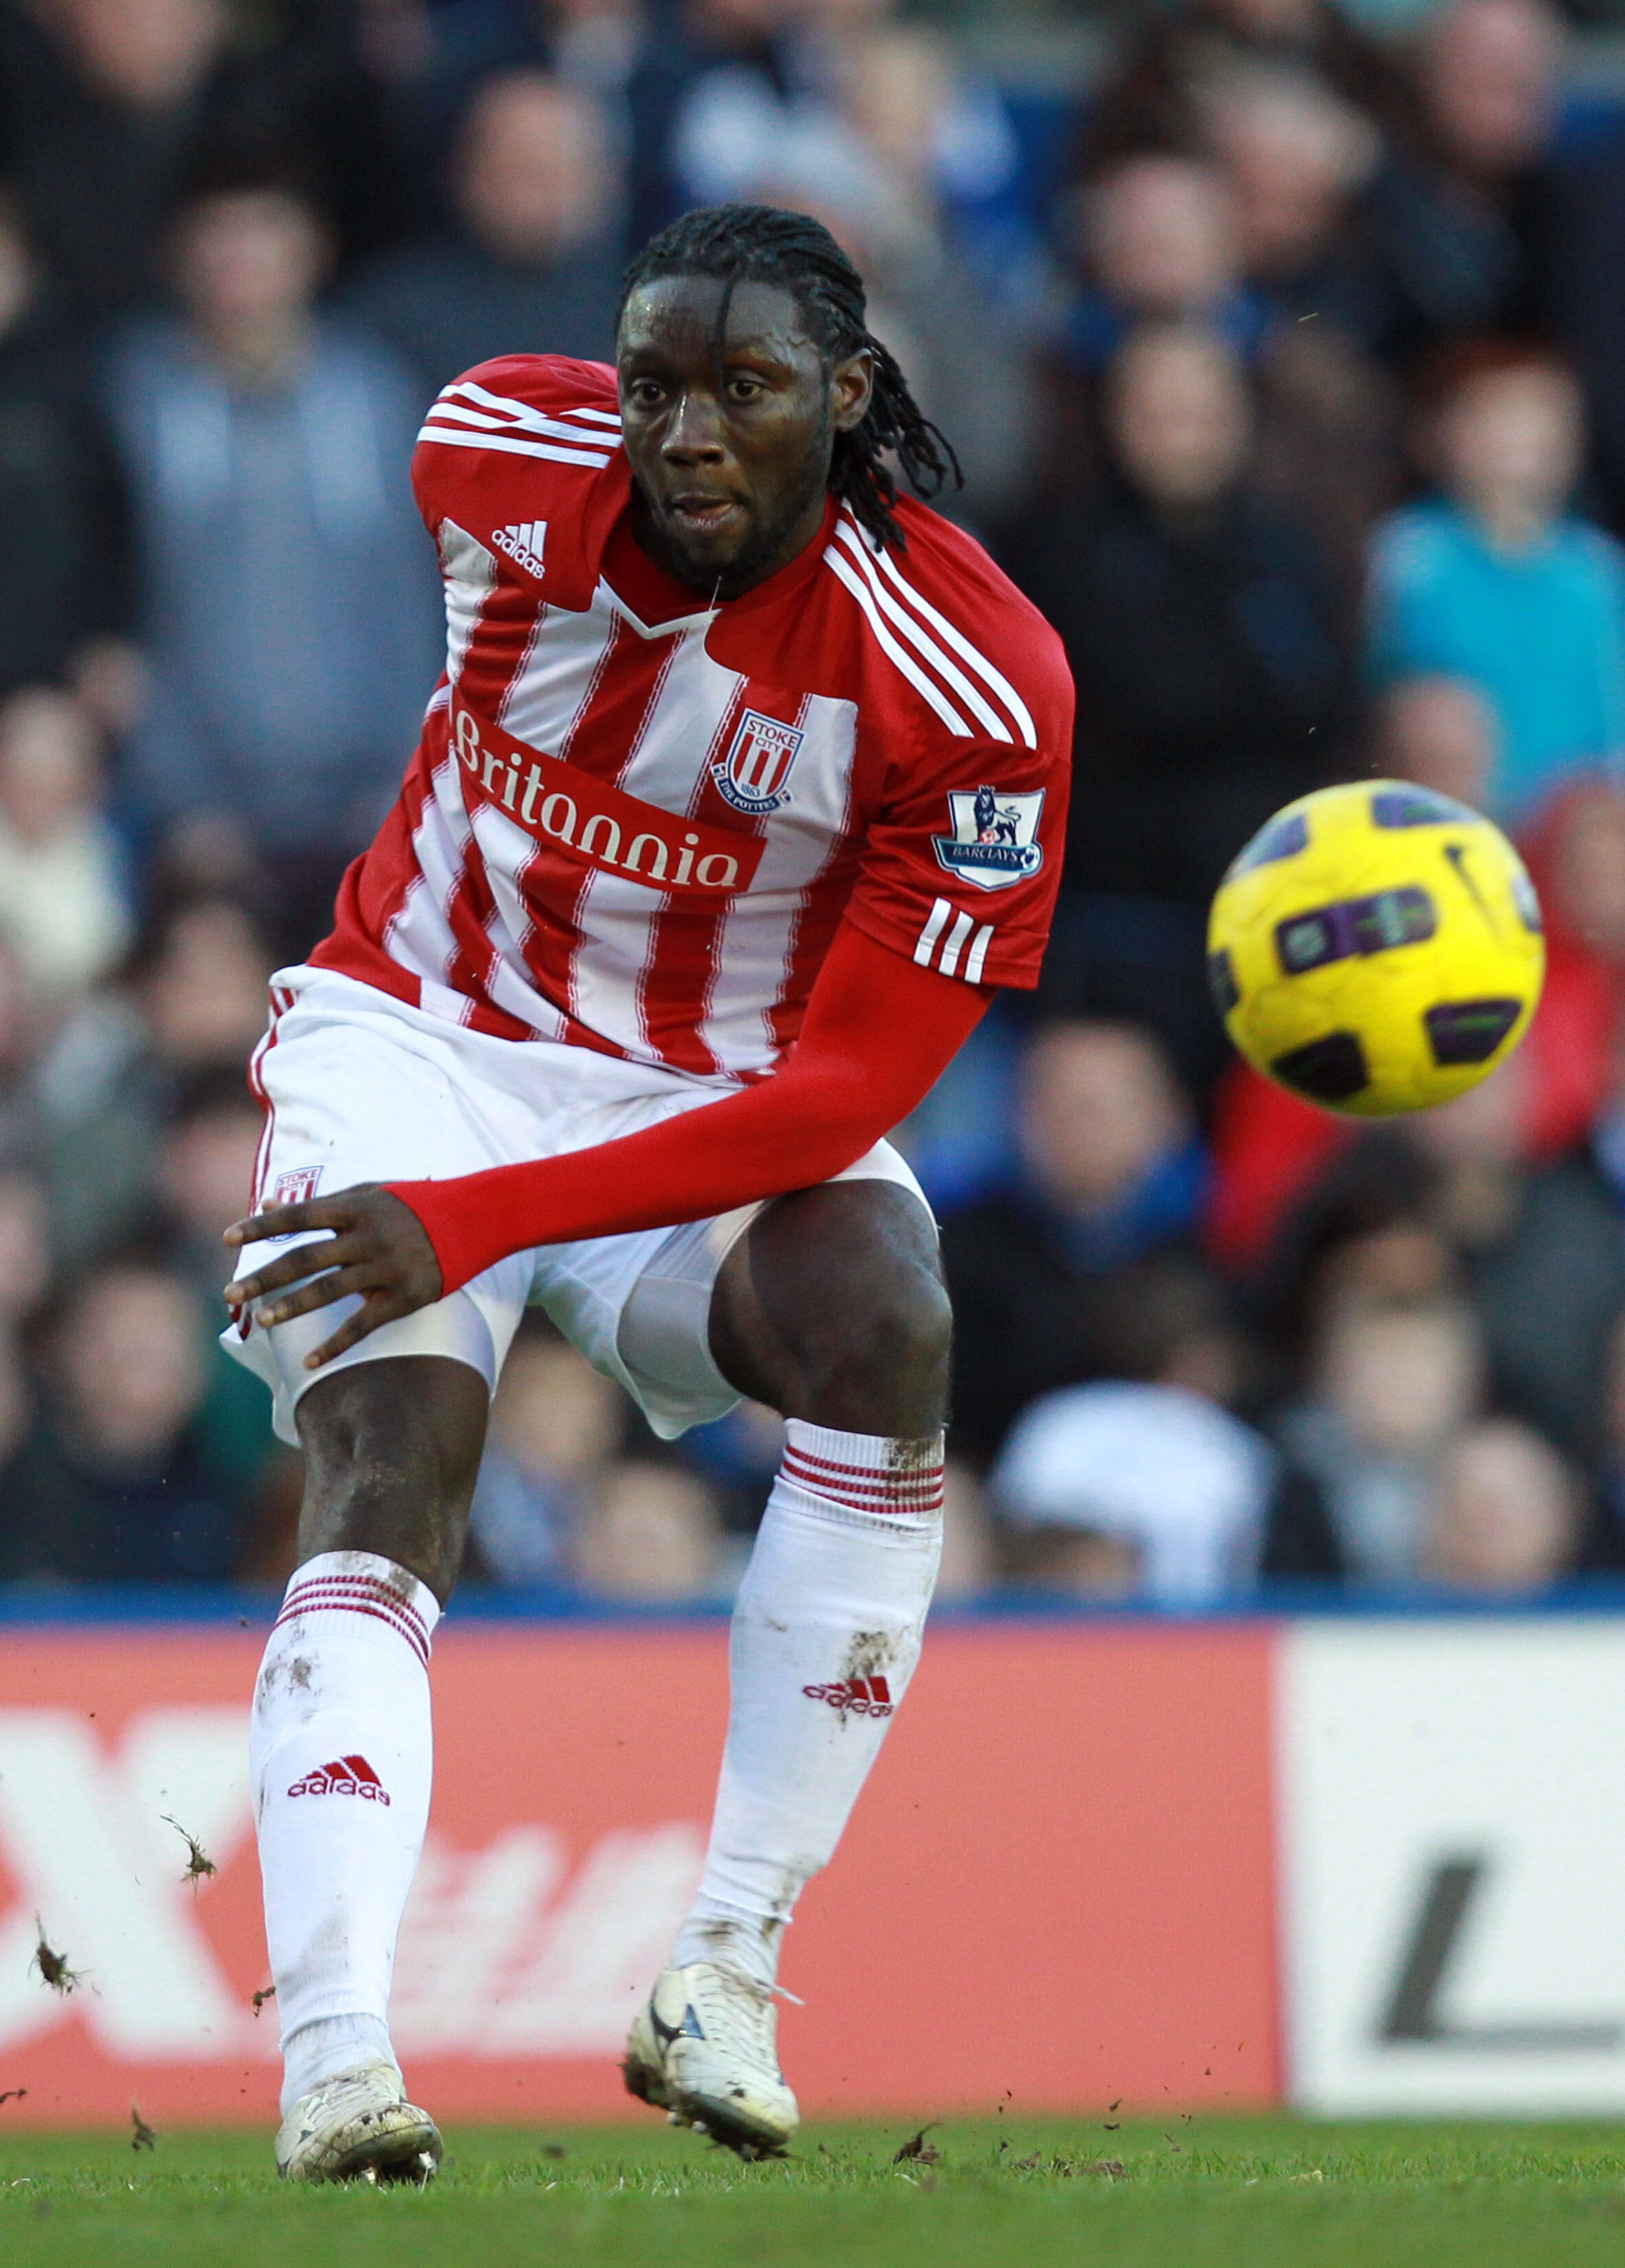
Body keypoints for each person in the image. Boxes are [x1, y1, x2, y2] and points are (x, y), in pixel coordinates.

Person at [214, 203, 1071, 2181]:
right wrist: (455, 1191)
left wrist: (496, 1217)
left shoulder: (973, 682)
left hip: (706, 1110)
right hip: (415, 1037)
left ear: (846, 402)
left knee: (889, 1314)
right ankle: (336, 2051)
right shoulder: (494, 455)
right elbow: (518, 448)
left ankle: (726, 1961)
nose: (684, 434)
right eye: (656, 385)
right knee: (391, 1445)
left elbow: (854, 1083)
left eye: (745, 391)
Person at [104, 149, 442, 965]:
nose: (239, 261)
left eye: (263, 233)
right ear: (178, 255)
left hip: (371, 811)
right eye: (215, 237)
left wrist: (398, 794)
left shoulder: (377, 396)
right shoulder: (134, 395)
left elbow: (414, 601)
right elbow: (128, 606)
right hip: (192, 821)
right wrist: (181, 801)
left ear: (312, 249)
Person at [1367, 338, 1625, 823]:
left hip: (1573, 843)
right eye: (1491, 417)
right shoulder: (1407, 557)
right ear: (1434, 435)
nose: (1516, 440)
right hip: (1445, 820)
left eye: (1539, 417)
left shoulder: (1597, 570)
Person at [343, 69, 626, 404]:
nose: (551, 191)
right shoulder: (393, 311)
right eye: (526, 170)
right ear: (469, 174)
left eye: (569, 169)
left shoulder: (645, 308)